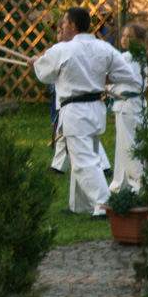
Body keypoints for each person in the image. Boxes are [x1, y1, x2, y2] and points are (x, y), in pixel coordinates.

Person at [27, 7, 138, 220]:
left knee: (83, 162)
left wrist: (34, 63)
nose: (61, 27)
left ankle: (104, 205)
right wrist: (104, 78)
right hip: (96, 108)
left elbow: (44, 75)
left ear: (72, 26)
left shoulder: (63, 50)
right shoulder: (103, 47)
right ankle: (80, 205)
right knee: (89, 154)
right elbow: (127, 73)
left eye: (64, 23)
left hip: (76, 110)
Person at [48, 16, 112, 178]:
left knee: (86, 138)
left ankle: (104, 166)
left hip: (77, 103)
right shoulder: (58, 51)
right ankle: (58, 166)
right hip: (65, 102)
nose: (60, 36)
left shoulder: (73, 52)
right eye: (57, 33)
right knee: (64, 135)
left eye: (62, 32)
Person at [108, 23, 148, 194]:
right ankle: (119, 184)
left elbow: (121, 77)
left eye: (129, 36)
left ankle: (140, 184)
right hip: (131, 103)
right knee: (122, 146)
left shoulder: (129, 57)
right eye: (123, 35)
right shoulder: (136, 56)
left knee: (129, 146)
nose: (124, 39)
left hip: (128, 104)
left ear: (139, 40)